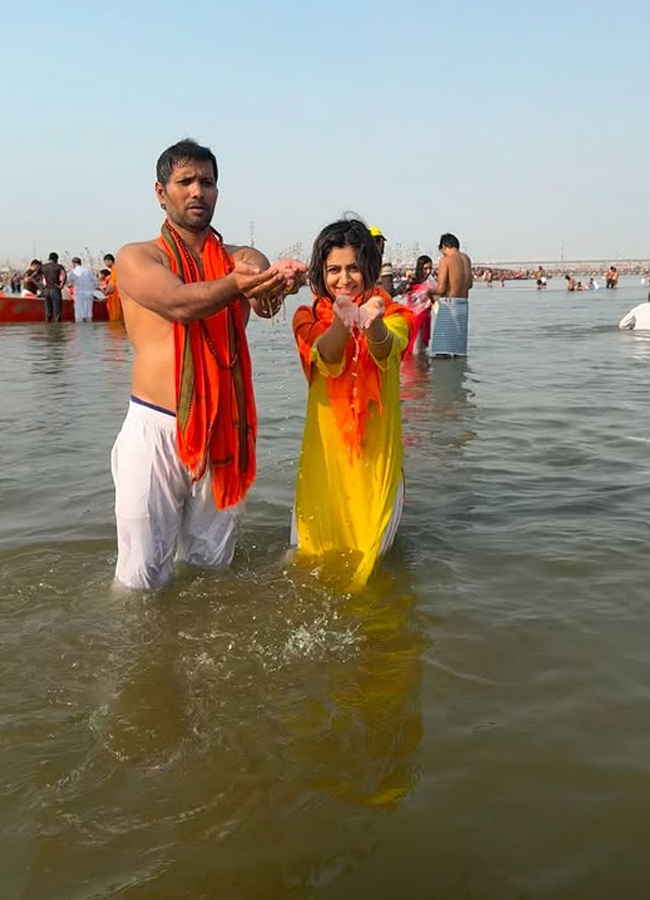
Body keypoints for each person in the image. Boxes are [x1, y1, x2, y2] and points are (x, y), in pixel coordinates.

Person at [111, 138, 306, 590]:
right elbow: (180, 303)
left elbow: (264, 303)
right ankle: (139, 657)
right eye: (185, 181)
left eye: (208, 182)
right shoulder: (137, 257)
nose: (198, 191)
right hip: (156, 429)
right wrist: (242, 285)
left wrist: (278, 282)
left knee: (212, 569)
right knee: (140, 577)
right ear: (161, 193)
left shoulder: (243, 258)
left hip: (224, 428)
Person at [291, 218, 414, 590]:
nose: (344, 279)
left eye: (354, 268)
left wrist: (371, 323)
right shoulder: (307, 316)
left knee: (376, 568)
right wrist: (345, 322)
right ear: (320, 272)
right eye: (334, 270)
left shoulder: (395, 313)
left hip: (377, 465)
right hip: (324, 467)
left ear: (370, 269)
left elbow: (387, 348)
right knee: (310, 563)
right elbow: (327, 356)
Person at [430, 233, 473, 358]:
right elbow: (470, 285)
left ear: (444, 247)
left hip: (449, 306)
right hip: (463, 306)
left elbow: (441, 288)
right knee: (459, 353)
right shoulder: (466, 259)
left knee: (442, 353)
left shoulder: (446, 260)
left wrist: (428, 292)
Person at [404, 254, 438, 355]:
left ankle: (423, 369)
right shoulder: (412, 280)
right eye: (425, 268)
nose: (428, 271)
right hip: (413, 318)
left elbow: (435, 300)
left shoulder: (431, 282)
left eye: (430, 268)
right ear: (420, 268)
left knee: (422, 349)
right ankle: (415, 369)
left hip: (425, 318)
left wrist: (430, 295)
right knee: (415, 350)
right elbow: (403, 294)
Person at [67, 256, 98, 322]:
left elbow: (68, 281)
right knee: (88, 313)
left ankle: (80, 329)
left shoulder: (74, 271)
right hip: (89, 294)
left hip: (79, 294)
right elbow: (95, 282)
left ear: (74, 263)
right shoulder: (88, 271)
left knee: (79, 314)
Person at [40, 252, 66, 321]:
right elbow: (64, 275)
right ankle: (57, 330)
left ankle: (48, 329)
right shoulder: (58, 266)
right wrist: (61, 285)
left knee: (48, 312)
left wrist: (42, 286)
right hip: (55, 290)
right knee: (57, 313)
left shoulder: (43, 267)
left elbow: (34, 276)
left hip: (47, 290)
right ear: (56, 259)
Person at [369, 226, 395, 296]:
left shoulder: (360, 262)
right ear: (380, 242)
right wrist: (403, 286)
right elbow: (388, 291)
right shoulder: (384, 262)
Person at [103, 253, 123, 321]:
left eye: (105, 262)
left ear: (109, 261)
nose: (105, 264)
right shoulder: (118, 269)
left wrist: (105, 292)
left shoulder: (115, 269)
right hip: (119, 296)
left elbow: (112, 285)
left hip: (115, 296)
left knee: (115, 317)